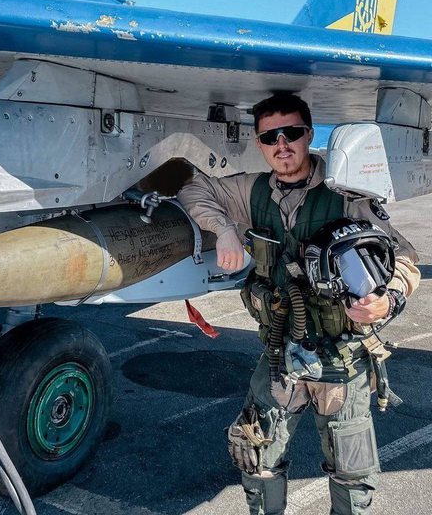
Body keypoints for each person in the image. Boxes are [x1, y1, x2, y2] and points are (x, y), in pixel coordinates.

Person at [178, 94, 420, 515]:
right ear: (259, 143)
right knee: (256, 458)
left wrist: (388, 300)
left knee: (353, 475)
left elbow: (403, 256)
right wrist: (225, 229)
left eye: (291, 133)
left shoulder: (345, 192)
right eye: (270, 137)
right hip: (280, 357)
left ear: (308, 135)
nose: (282, 145)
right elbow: (192, 189)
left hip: (341, 358)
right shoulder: (252, 191)